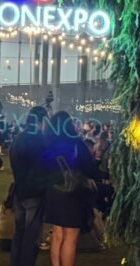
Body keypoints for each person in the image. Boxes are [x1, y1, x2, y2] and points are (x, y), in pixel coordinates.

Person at [42, 111, 101, 266]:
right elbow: (89, 169)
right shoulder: (77, 144)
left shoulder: (48, 144)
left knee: (57, 235)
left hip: (54, 192)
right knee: (70, 238)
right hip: (73, 194)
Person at [9, 106, 48, 266]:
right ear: (41, 121)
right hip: (34, 192)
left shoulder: (18, 138)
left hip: (19, 190)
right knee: (31, 235)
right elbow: (43, 167)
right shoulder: (39, 141)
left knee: (20, 232)